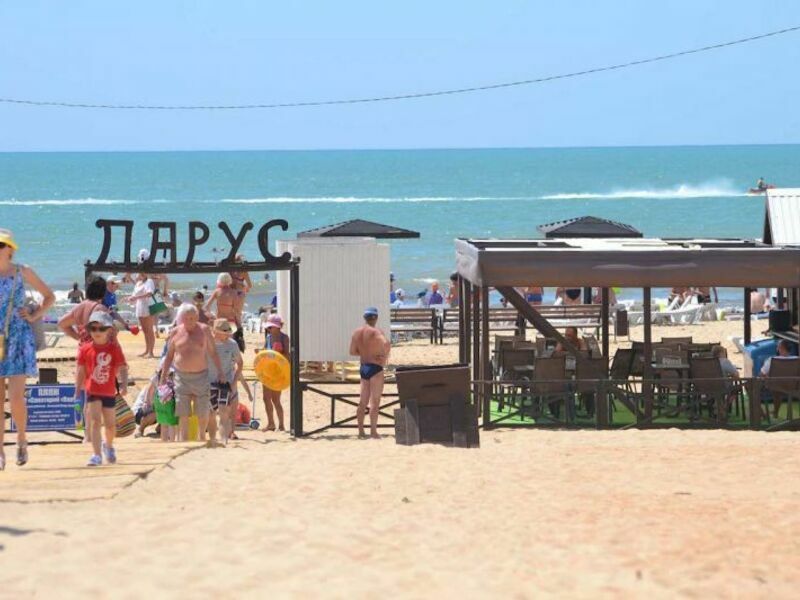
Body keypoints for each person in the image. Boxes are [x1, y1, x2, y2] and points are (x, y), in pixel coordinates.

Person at [0, 230, 55, 469]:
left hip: (18, 339)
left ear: (10, 249)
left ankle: (22, 439)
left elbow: (49, 296)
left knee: (15, 398)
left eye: (0, 245)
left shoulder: (23, 271)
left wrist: (34, 315)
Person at [160, 304, 224, 442]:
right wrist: (163, 376)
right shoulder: (175, 332)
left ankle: (202, 436)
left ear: (197, 317)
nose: (190, 321)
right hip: (181, 377)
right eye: (187, 318)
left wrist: (221, 372)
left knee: (202, 410)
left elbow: (213, 352)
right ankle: (184, 439)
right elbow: (169, 356)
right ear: (182, 318)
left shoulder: (205, 330)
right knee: (182, 411)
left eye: (193, 318)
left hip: (201, 375)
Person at [74, 311, 129, 467]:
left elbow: (123, 367)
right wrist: (77, 389)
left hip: (109, 391)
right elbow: (81, 370)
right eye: (93, 328)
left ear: (109, 330)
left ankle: (108, 445)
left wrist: (124, 385)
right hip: (92, 390)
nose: (97, 332)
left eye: (101, 328)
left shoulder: (114, 349)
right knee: (95, 421)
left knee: (110, 425)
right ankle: (96, 454)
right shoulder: (85, 349)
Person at [350, 307, 391, 439]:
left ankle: (361, 431)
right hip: (375, 367)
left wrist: (364, 353)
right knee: (375, 401)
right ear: (376, 318)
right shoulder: (376, 331)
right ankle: (373, 431)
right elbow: (387, 343)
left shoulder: (357, 332)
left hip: (364, 367)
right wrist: (383, 357)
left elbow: (352, 351)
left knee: (362, 402)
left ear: (364, 318)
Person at [208, 319, 243, 445]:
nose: (228, 335)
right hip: (209, 382)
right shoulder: (208, 343)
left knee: (224, 412)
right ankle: (213, 440)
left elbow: (240, 363)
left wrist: (234, 383)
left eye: (228, 332)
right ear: (216, 332)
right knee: (211, 414)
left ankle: (224, 441)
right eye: (225, 333)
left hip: (225, 383)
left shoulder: (232, 344)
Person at [58, 276, 112, 343]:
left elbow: (62, 323)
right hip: (97, 348)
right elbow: (110, 334)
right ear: (103, 291)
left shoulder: (79, 307)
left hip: (84, 347)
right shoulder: (100, 308)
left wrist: (79, 338)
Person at [262, 314, 289, 432]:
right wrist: (261, 352)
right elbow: (264, 351)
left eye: (271, 326)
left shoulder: (284, 338)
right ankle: (271, 423)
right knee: (266, 398)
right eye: (269, 327)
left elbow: (287, 355)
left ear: (278, 327)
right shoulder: (268, 337)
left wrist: (277, 354)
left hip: (278, 372)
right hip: (267, 371)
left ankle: (281, 425)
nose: (269, 328)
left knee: (276, 400)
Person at [205, 273, 245, 350]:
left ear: (220, 280)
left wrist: (212, 317)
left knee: (218, 345)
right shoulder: (233, 292)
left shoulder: (217, 292)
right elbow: (237, 310)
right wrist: (239, 323)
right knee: (229, 345)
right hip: (230, 321)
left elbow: (207, 306)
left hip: (219, 321)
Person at [760, 340, 797, 418]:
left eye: (778, 346)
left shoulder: (772, 359)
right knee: (777, 388)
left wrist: (767, 377)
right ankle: (775, 412)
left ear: (780, 348)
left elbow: (762, 374)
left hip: (775, 386)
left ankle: (767, 413)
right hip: (793, 385)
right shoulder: (797, 359)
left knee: (773, 389)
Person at [128, 272, 157, 358]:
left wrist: (136, 297)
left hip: (148, 306)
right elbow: (134, 295)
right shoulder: (138, 283)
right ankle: (147, 350)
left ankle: (151, 352)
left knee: (149, 330)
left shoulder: (149, 281)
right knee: (145, 330)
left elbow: (149, 293)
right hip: (140, 307)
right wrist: (128, 298)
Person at [131, 372, 158, 438]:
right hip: (139, 413)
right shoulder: (151, 387)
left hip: (152, 411)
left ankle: (160, 428)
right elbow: (149, 405)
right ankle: (140, 429)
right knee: (159, 411)